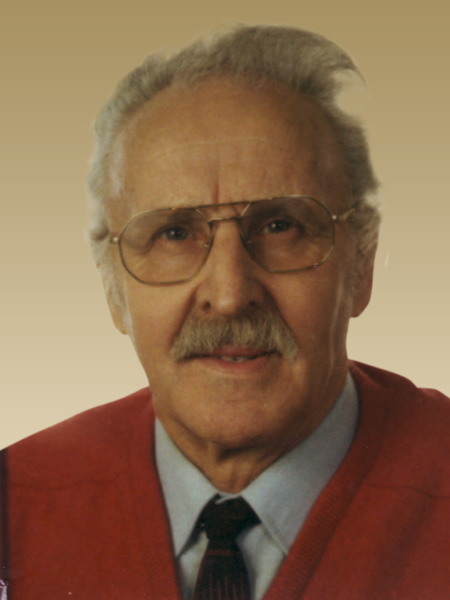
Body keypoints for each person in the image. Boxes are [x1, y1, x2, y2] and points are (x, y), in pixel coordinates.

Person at [1, 24, 449, 600]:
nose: (231, 293)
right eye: (174, 233)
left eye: (281, 225)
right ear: (112, 289)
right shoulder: (14, 502)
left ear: (361, 265)